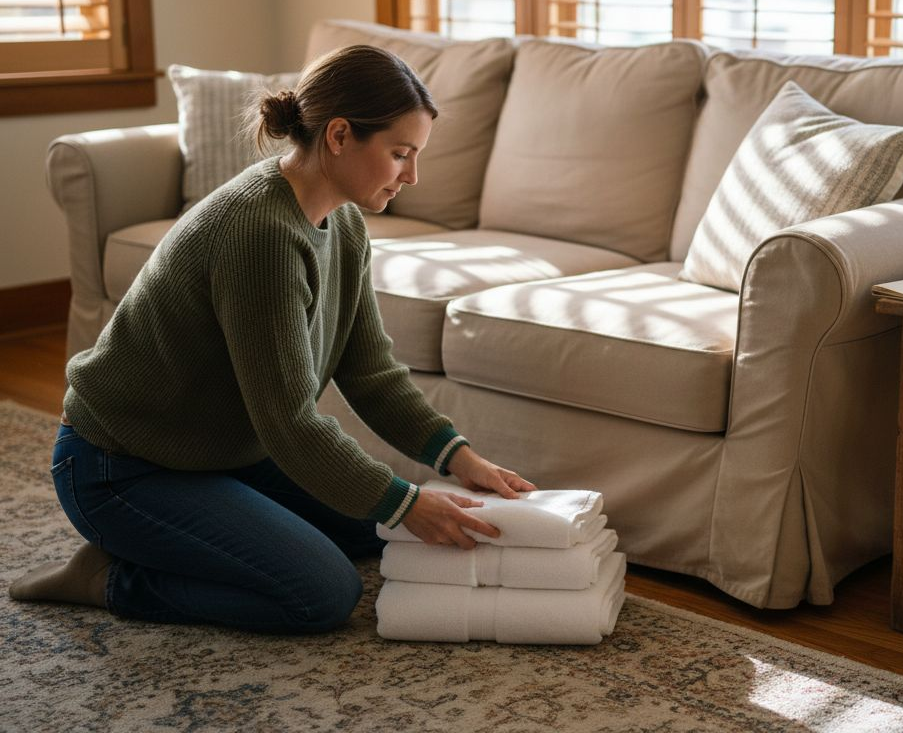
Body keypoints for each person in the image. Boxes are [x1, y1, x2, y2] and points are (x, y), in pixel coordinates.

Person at [8, 45, 534, 633]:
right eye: (401, 154)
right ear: (338, 135)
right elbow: (288, 421)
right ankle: (109, 578)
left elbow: (371, 372)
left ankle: (194, 534)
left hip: (225, 456)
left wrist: (459, 458)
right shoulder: (258, 232)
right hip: (120, 468)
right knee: (321, 594)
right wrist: (408, 501)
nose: (412, 176)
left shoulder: (346, 222)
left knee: (377, 529)